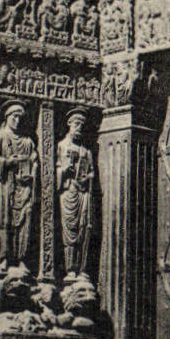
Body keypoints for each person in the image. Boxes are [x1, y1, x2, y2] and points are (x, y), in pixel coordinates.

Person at [0, 103, 37, 267]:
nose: (17, 120)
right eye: (14, 117)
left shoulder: (27, 142)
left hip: (24, 186)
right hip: (5, 184)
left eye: (20, 118)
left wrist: (32, 173)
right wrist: (7, 162)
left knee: (24, 219)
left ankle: (21, 258)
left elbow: (34, 160)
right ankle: (4, 257)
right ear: (7, 118)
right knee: (4, 219)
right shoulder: (0, 137)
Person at [56, 112, 94, 278]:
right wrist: (63, 171)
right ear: (69, 125)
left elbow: (92, 172)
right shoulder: (62, 146)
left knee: (84, 228)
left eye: (82, 126)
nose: (79, 128)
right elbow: (56, 170)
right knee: (69, 229)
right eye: (76, 124)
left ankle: (82, 269)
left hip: (82, 192)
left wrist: (88, 177)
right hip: (68, 191)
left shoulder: (86, 151)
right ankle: (70, 269)